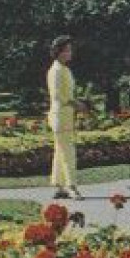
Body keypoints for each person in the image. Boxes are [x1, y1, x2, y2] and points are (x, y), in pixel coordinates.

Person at [46, 35, 82, 199]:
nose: (70, 53)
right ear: (59, 52)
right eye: (67, 50)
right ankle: (70, 185)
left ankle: (59, 185)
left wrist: (74, 104)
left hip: (66, 115)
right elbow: (57, 95)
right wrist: (75, 103)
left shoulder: (65, 69)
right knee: (68, 150)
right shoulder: (55, 71)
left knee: (61, 149)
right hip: (60, 115)